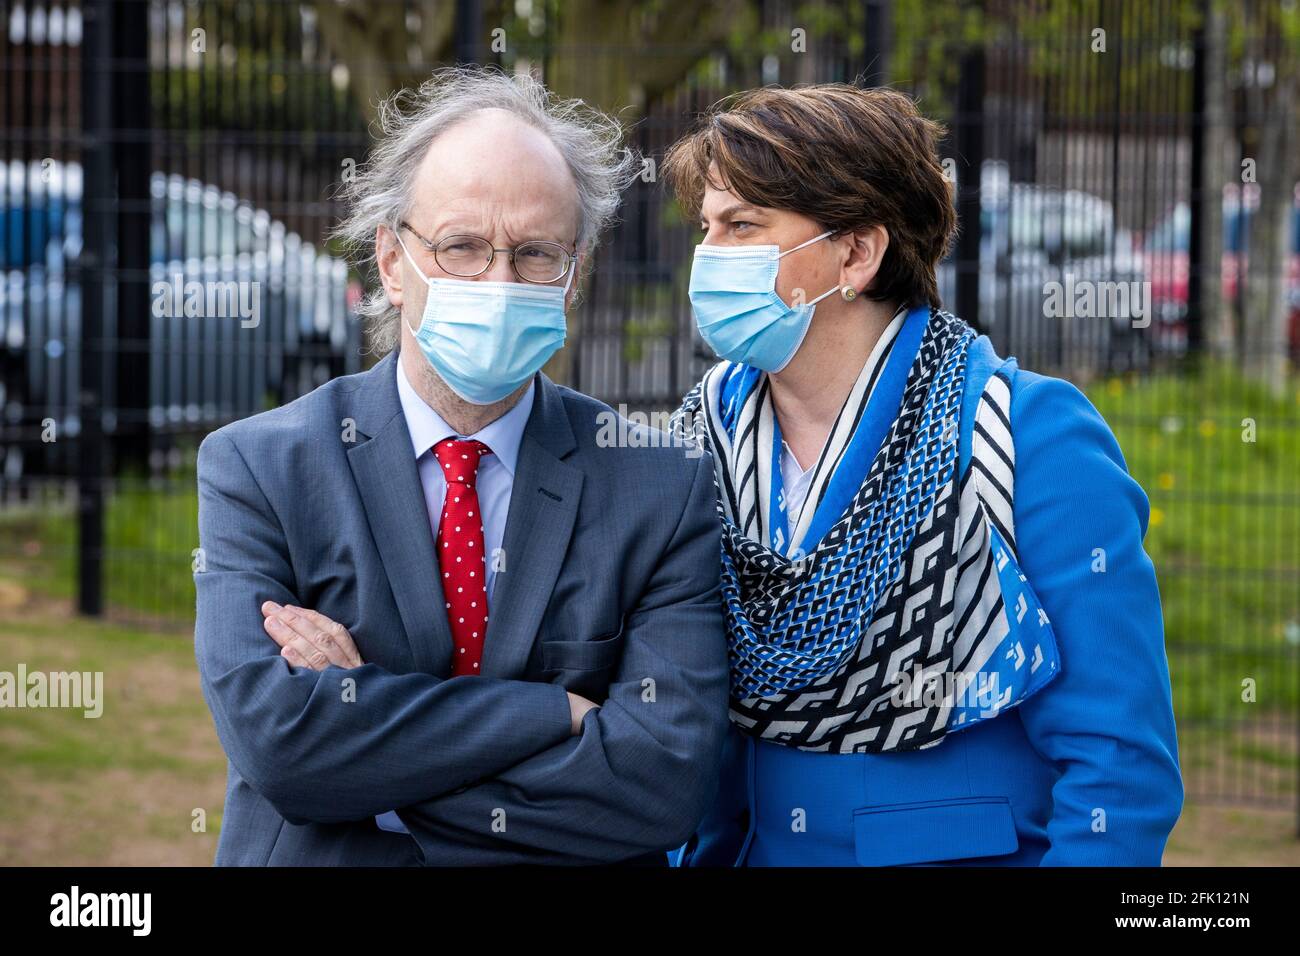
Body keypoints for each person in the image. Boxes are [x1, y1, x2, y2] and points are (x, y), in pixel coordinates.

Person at [193, 66, 728, 866]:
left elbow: (663, 783)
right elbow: (286, 753)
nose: (499, 282)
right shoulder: (261, 469)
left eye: (535, 254)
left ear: (574, 274)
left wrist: (372, 755)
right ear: (392, 260)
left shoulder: (660, 487)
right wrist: (561, 717)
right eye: (463, 247)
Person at [663, 83, 1183, 866]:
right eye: (707, 229)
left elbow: (1120, 772)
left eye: (743, 227)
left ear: (855, 253)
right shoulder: (703, 438)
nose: (708, 259)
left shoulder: (1027, 435)